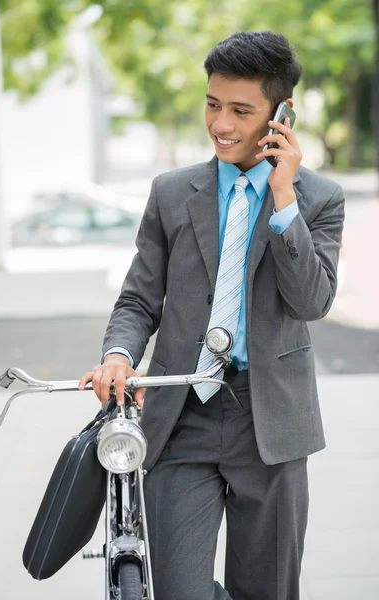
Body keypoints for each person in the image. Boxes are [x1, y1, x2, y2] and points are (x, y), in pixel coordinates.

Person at [79, 30, 345, 600]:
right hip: (181, 418)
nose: (221, 124)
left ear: (281, 115)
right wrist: (118, 354)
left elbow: (311, 302)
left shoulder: (318, 200)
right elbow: (138, 298)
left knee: (269, 590)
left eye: (241, 110)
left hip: (270, 420)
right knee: (179, 590)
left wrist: (283, 200)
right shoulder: (173, 193)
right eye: (212, 104)